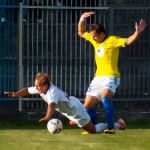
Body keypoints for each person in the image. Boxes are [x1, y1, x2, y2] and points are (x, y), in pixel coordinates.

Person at [78, 11, 147, 133]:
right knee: (87, 105)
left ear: (102, 34)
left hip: (111, 77)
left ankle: (110, 127)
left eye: (95, 36)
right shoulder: (95, 39)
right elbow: (81, 32)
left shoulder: (112, 40)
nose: (93, 38)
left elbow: (128, 41)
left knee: (105, 98)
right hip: (98, 78)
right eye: (93, 36)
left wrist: (137, 32)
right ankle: (93, 128)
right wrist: (82, 19)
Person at [4, 72, 125, 134]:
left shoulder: (52, 92)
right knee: (90, 127)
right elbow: (26, 90)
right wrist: (15, 94)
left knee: (93, 131)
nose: (36, 87)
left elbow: (51, 105)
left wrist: (47, 117)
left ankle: (118, 124)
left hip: (76, 111)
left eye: (38, 85)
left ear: (45, 85)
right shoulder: (40, 88)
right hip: (69, 110)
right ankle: (75, 120)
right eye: (35, 85)